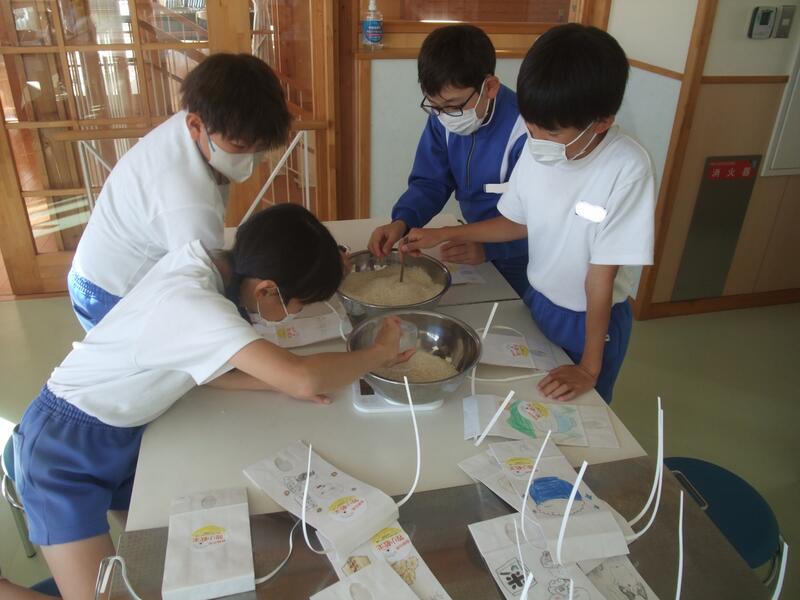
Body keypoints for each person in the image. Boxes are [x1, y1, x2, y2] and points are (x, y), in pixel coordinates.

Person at [13, 204, 412, 599]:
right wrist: (379, 353)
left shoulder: (210, 266)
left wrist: (278, 383)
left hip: (123, 435)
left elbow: (209, 372)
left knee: (156, 558)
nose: (295, 313)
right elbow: (304, 376)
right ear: (267, 289)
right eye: (298, 303)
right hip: (62, 452)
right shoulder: (195, 305)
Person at [401, 24, 655, 403]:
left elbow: (601, 276)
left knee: (584, 408)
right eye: (531, 127)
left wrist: (589, 367)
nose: (536, 142)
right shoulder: (540, 145)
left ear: (602, 121)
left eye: (550, 133)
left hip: (590, 319)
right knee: (533, 401)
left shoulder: (627, 167)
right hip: (538, 300)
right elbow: (516, 222)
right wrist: (444, 234)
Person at [68, 53, 292, 330]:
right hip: (112, 292)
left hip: (102, 265)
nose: (251, 157)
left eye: (260, 148)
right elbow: (205, 295)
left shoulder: (199, 122)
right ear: (195, 125)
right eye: (240, 146)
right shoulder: (187, 200)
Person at [367, 25, 529, 296]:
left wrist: (489, 248)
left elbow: (540, 218)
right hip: (473, 244)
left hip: (525, 256)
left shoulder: (527, 129)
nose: (444, 115)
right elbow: (431, 182)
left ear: (489, 87)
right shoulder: (443, 118)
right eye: (435, 106)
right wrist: (402, 221)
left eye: (453, 105)